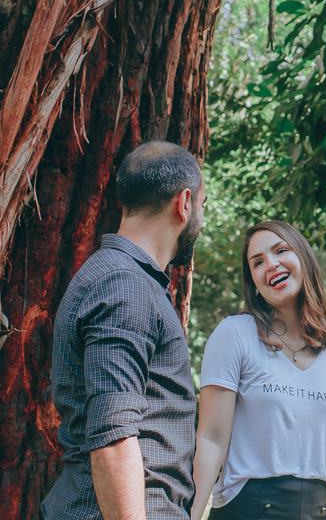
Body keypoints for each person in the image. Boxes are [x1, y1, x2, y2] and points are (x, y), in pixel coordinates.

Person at [191, 221, 326, 520]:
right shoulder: (235, 333)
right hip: (248, 510)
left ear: (303, 260)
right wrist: (191, 514)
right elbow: (211, 439)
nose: (270, 264)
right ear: (253, 281)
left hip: (316, 510)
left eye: (280, 250)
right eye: (257, 262)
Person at [43, 141, 207, 520]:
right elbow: (113, 438)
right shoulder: (125, 285)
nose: (200, 216)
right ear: (184, 203)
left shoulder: (127, 279)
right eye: (202, 206)